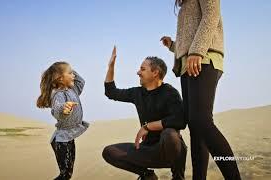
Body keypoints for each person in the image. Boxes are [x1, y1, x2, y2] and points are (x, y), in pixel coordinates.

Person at [160, 0, 241, 179]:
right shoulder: (184, 4)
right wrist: (173, 45)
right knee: (195, 126)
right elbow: (191, 36)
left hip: (203, 59)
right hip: (188, 64)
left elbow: (211, 15)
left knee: (201, 120)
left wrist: (197, 51)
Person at [102, 46, 187, 180]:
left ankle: (178, 177)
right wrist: (111, 66)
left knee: (170, 134)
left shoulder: (170, 92)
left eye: (142, 69)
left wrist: (148, 127)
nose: (138, 72)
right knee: (109, 152)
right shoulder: (137, 93)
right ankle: (147, 175)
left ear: (155, 72)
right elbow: (111, 92)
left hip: (169, 149)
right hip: (148, 150)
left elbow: (180, 121)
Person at [36, 61, 89, 180]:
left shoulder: (73, 90)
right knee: (65, 175)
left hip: (69, 137)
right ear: (60, 78)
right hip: (61, 140)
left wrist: (69, 69)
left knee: (68, 174)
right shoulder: (57, 94)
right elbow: (56, 109)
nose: (74, 76)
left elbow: (81, 81)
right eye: (70, 73)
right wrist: (63, 109)